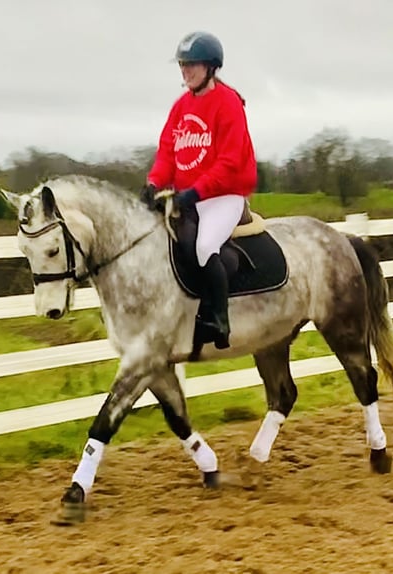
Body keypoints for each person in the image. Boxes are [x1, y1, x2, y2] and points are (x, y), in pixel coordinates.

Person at [141, 31, 258, 349]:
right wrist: (154, 183)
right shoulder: (180, 107)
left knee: (204, 247)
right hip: (188, 197)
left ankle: (219, 321)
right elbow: (167, 152)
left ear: (210, 67)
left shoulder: (228, 103)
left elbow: (231, 161)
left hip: (224, 196)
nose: (185, 71)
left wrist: (195, 192)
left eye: (191, 64)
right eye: (182, 65)